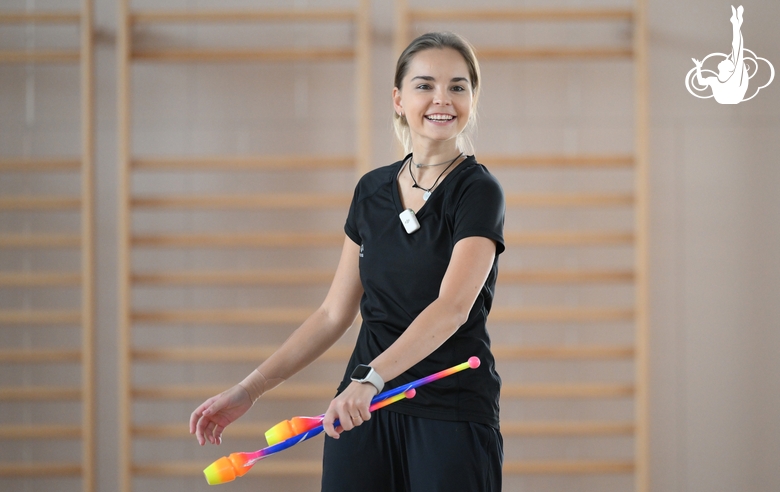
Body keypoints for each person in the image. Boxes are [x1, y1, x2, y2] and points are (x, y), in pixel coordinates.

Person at [190, 31, 505, 491]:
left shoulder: (477, 191)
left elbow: (452, 309)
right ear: (398, 99)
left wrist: (372, 378)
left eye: (458, 86)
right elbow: (333, 313)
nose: (442, 98)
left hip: (449, 410)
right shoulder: (371, 191)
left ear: (472, 100)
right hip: (360, 411)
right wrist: (248, 391)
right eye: (425, 85)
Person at [692, 5, 748, 104]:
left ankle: (736, 23)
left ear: (729, 69)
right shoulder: (715, 80)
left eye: (727, 61)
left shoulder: (732, 77)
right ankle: (736, 23)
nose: (724, 59)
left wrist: (698, 67)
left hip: (732, 96)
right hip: (730, 97)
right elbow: (701, 82)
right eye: (728, 60)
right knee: (737, 51)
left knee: (737, 51)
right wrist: (698, 67)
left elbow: (737, 49)